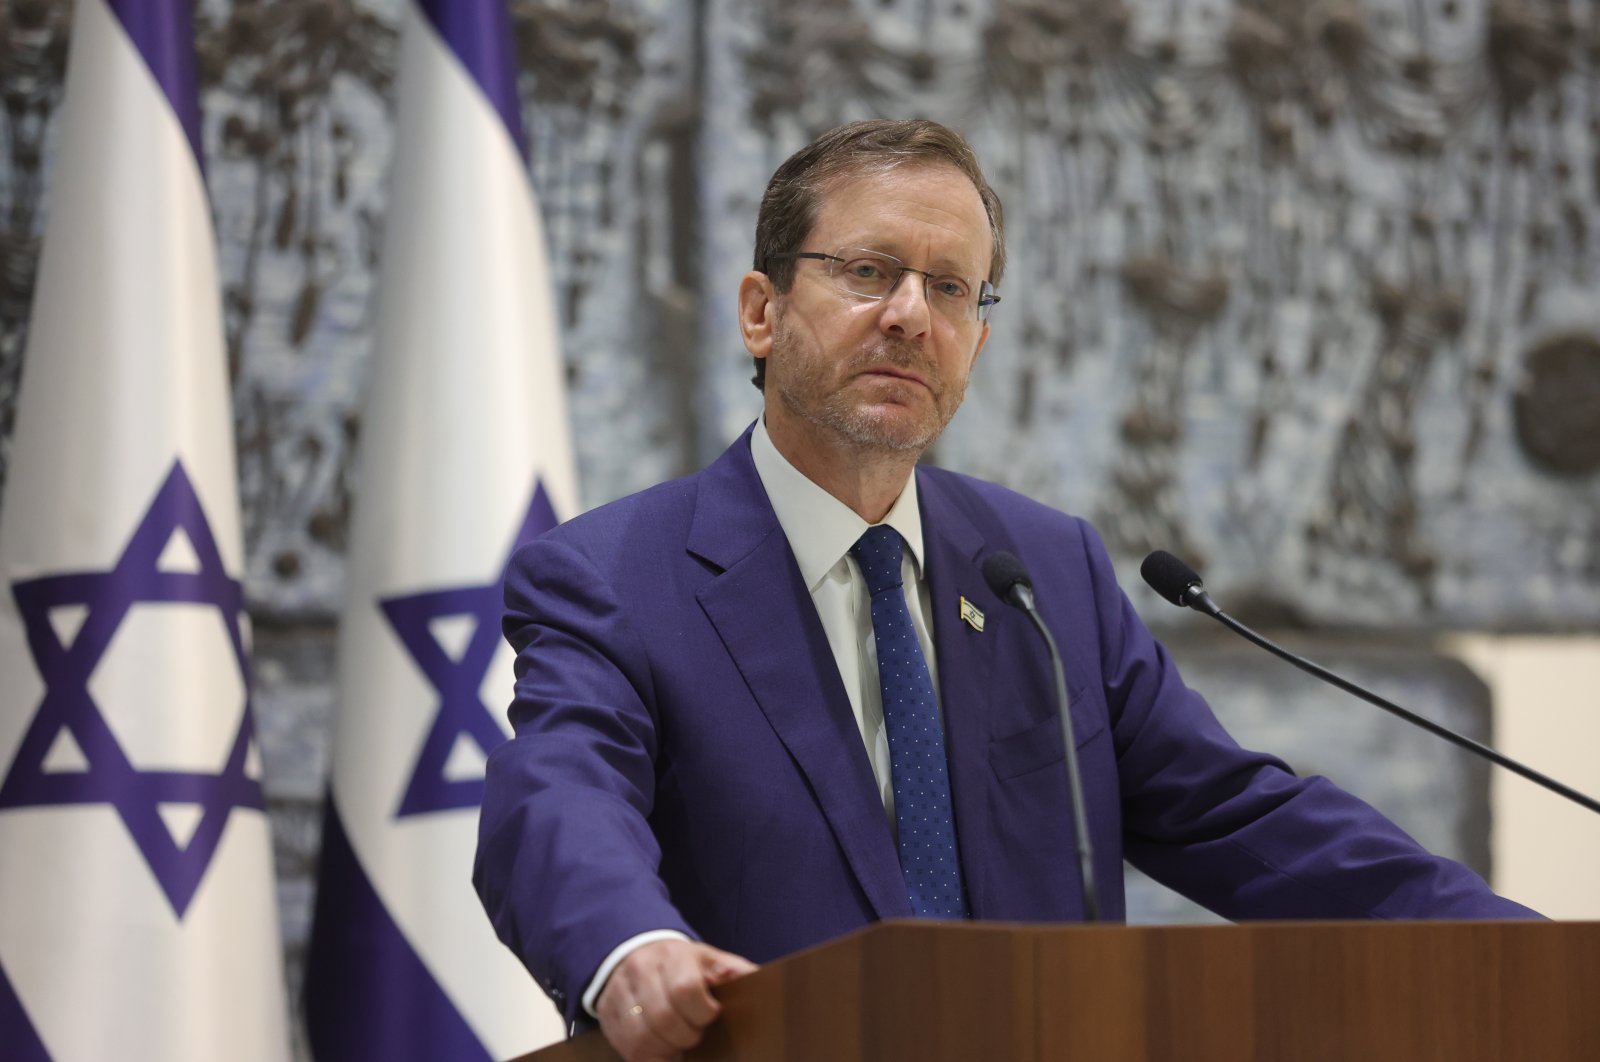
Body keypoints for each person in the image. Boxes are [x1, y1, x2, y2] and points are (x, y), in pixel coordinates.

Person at [474, 119, 1537, 1062]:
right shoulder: (615, 576)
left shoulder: (1040, 571)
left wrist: (1523, 956)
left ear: (976, 339)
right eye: (865, 270)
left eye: (949, 288)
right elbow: (559, 795)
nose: (908, 315)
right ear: (762, 311)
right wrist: (631, 948)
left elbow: (1238, 816)